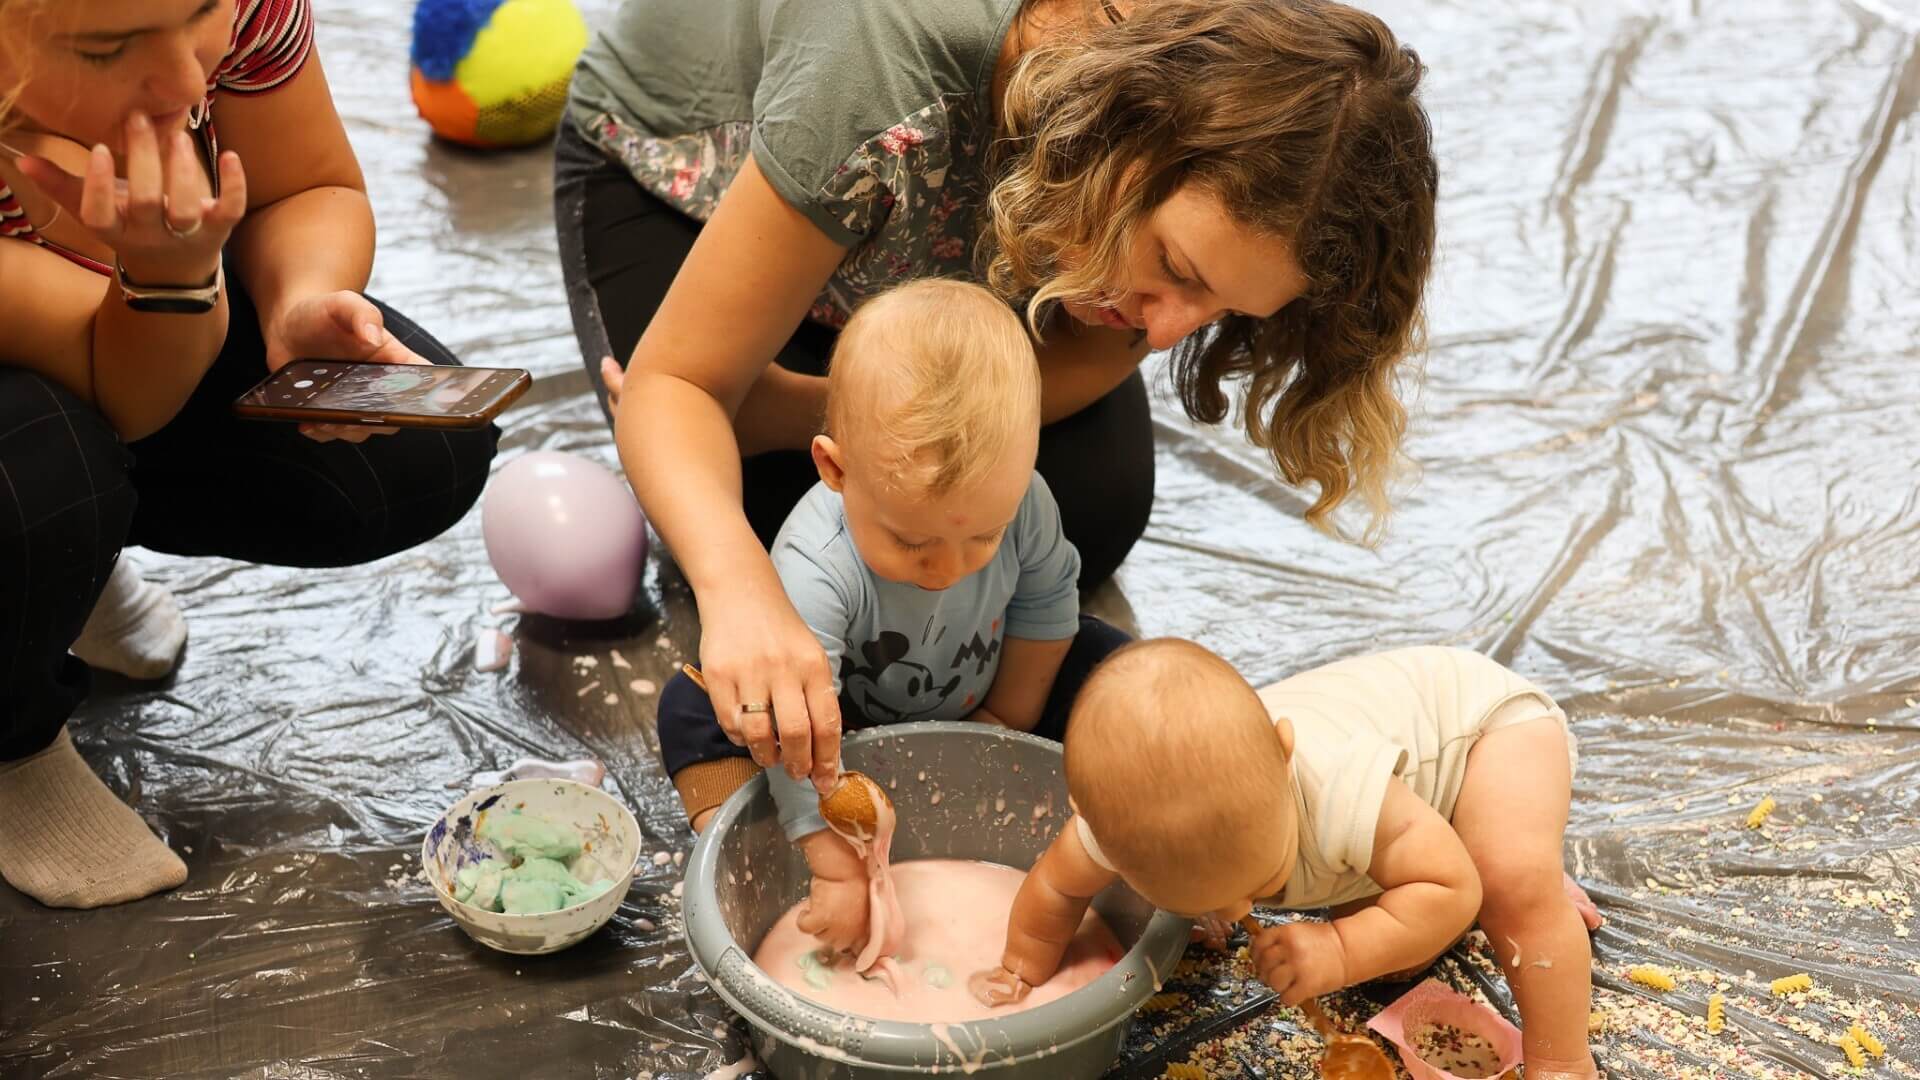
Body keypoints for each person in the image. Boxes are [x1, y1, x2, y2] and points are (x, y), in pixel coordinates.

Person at [554, 0, 1439, 791]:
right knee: (802, 534)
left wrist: (792, 412)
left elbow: (1093, 357)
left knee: (1069, 511)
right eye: (1174, 269)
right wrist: (740, 589)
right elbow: (676, 384)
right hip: (690, 179)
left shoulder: (1223, 117)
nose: (1166, 333)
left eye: (1221, 309)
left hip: (930, 217)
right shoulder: (888, 51)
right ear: (1127, 127)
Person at [0, 0, 497, 909]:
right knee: (43, 479)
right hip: (82, 346)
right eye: (109, 48)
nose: (191, 81)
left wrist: (301, 302)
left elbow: (307, 186)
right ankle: (14, 739)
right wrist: (174, 276)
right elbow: (123, 394)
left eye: (202, 14)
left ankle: (59, 572)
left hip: (122, 319)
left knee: (407, 462)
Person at [655, 280, 1131, 953]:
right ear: (834, 468)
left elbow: (1049, 603)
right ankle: (753, 836)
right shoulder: (815, 565)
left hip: (984, 690)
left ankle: (1143, 832)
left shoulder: (1025, 500)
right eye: (913, 541)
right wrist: (830, 861)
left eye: (983, 537)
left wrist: (1005, 723)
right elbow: (797, 726)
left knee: (1117, 674)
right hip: (837, 727)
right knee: (699, 707)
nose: (951, 569)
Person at [973, 640, 1604, 1080]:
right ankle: (1492, 848)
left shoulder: (1335, 787)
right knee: (1399, 957)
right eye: (1206, 901)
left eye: (1260, 881)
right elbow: (1055, 891)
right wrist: (1020, 971)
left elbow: (1451, 887)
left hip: (1484, 736)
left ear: (1284, 757)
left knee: (1505, 884)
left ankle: (1563, 1057)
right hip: (1392, 829)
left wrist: (1339, 950)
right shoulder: (1123, 820)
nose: (1240, 911)